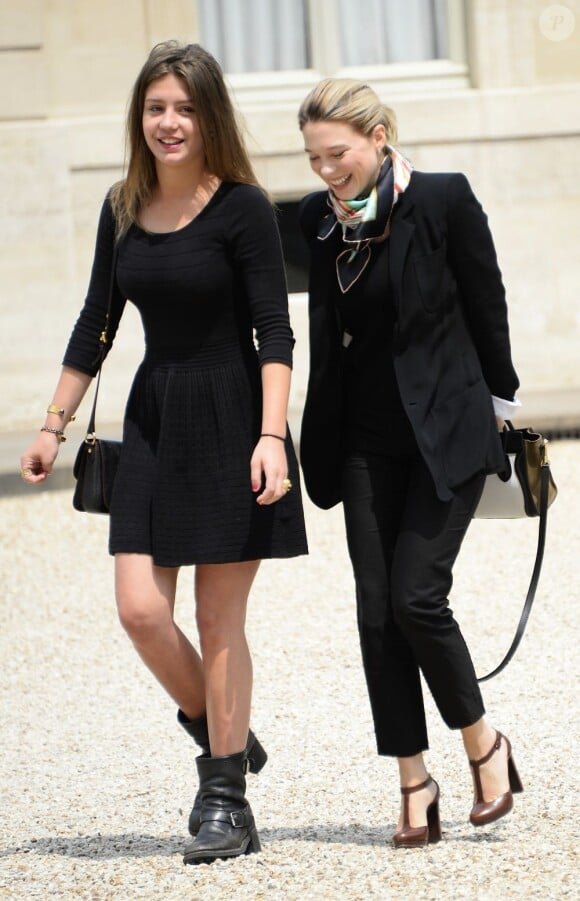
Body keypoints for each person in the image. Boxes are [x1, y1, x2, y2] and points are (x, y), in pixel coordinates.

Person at [20, 40, 308, 866]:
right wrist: (53, 425)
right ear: (138, 117)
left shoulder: (244, 207)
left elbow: (275, 331)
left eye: (183, 107)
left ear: (208, 114)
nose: (169, 122)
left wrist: (270, 435)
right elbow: (95, 325)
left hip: (232, 414)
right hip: (153, 417)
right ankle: (227, 734)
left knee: (220, 620)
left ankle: (225, 799)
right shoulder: (122, 205)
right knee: (141, 610)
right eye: (155, 108)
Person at [297, 78, 523, 848]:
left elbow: (485, 298)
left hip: (447, 432)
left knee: (415, 596)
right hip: (361, 441)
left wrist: (505, 405)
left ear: (380, 135)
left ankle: (484, 745)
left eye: (340, 154)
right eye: (314, 157)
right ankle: (413, 783)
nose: (328, 171)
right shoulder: (317, 223)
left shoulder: (442, 200)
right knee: (375, 613)